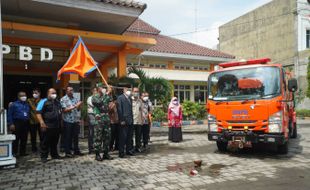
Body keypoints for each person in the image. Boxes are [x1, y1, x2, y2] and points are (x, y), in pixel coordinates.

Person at [36, 88, 62, 163]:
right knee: (45, 142)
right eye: (52, 93)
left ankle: (54, 155)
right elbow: (38, 113)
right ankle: (44, 156)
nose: (54, 94)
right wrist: (41, 123)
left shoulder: (57, 102)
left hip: (56, 126)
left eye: (55, 93)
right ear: (48, 94)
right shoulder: (43, 101)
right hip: (47, 125)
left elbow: (60, 112)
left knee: (55, 142)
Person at [91, 83, 113, 161]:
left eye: (104, 87)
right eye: (102, 87)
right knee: (98, 137)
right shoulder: (94, 97)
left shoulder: (106, 96)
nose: (103, 88)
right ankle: (97, 154)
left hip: (106, 118)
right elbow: (100, 102)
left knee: (107, 137)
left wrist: (110, 92)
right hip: (99, 120)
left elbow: (110, 102)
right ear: (98, 88)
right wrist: (107, 93)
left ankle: (106, 153)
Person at [60, 86, 83, 158]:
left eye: (72, 90)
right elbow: (64, 110)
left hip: (75, 120)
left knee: (76, 136)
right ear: (66, 91)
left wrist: (79, 106)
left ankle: (76, 150)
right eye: (70, 90)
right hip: (67, 121)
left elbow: (78, 110)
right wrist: (76, 106)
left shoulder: (75, 99)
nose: (71, 91)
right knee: (68, 137)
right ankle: (68, 152)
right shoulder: (63, 99)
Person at [7, 91, 30, 157]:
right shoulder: (14, 104)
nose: (24, 97)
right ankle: (14, 152)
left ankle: (22, 152)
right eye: (22, 96)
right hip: (17, 122)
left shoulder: (27, 104)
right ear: (18, 97)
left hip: (25, 123)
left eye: (25, 95)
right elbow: (9, 114)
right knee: (16, 138)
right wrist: (11, 124)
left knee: (24, 138)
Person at [117, 86, 134, 158]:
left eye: (129, 89)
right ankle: (121, 152)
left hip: (130, 120)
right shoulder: (120, 98)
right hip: (124, 120)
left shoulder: (130, 98)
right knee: (123, 137)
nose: (129, 91)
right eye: (127, 89)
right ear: (123, 90)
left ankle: (128, 150)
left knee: (129, 137)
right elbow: (119, 109)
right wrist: (121, 120)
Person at [27, 88, 42, 153]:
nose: (34, 94)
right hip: (32, 121)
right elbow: (21, 103)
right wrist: (12, 103)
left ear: (39, 93)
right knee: (33, 136)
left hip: (41, 121)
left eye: (36, 93)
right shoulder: (29, 100)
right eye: (33, 93)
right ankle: (34, 148)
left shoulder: (42, 101)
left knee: (42, 135)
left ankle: (42, 147)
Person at [132, 87, 143, 153]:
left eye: (137, 91)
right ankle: (131, 147)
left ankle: (138, 147)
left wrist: (141, 120)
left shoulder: (140, 101)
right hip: (132, 120)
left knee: (138, 135)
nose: (136, 93)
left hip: (138, 121)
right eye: (135, 91)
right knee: (131, 136)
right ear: (132, 92)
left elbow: (141, 111)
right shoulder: (130, 100)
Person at [87, 87, 97, 154]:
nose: (96, 92)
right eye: (95, 91)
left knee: (96, 133)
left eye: (97, 90)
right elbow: (94, 105)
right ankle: (91, 148)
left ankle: (96, 147)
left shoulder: (99, 98)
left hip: (97, 116)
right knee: (92, 132)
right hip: (92, 115)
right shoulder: (90, 98)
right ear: (92, 91)